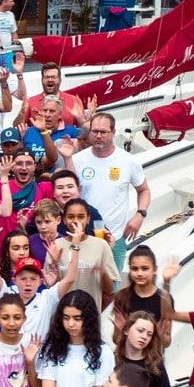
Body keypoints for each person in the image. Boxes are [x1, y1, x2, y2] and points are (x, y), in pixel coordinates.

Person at [70, 111, 150, 269]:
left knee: (112, 290)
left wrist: (140, 215)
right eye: (95, 131)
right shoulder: (77, 160)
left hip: (116, 237)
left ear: (113, 132)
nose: (98, 136)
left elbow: (144, 191)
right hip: (84, 237)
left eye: (103, 132)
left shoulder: (128, 161)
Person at [113, 311, 172, 387]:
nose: (144, 337)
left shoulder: (155, 363)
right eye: (140, 331)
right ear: (126, 330)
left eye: (149, 334)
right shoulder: (113, 360)